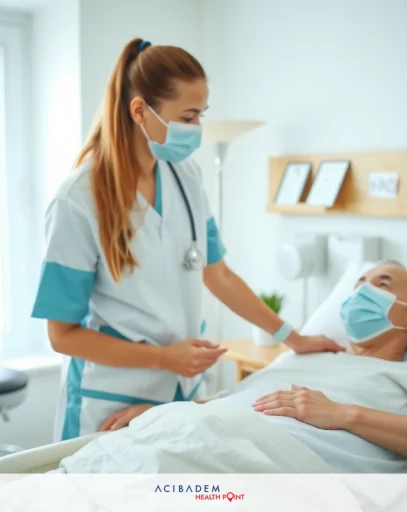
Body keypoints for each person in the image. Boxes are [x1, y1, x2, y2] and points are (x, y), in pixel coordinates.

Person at [31, 38, 341, 441]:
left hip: (179, 391)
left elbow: (219, 275)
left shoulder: (186, 177)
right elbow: (62, 335)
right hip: (110, 400)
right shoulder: (79, 200)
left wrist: (293, 338)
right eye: (189, 116)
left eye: (200, 116)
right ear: (140, 111)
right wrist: (163, 358)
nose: (197, 129)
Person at [63, 261, 407, 473]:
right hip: (194, 437)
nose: (362, 291)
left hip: (262, 470)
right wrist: (162, 413)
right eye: (358, 284)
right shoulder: (304, 358)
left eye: (381, 284)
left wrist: (344, 415)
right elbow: (230, 406)